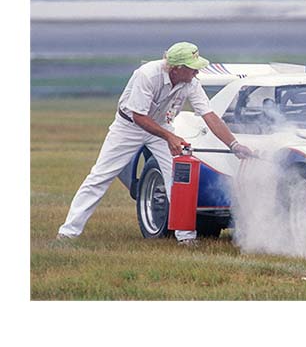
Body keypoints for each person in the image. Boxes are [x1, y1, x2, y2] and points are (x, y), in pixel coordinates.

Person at [57, 42, 255, 245]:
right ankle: (68, 232)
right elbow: (139, 116)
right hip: (129, 127)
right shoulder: (147, 75)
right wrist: (170, 138)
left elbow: (209, 115)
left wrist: (234, 145)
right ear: (177, 68)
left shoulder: (191, 83)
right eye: (192, 68)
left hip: (162, 126)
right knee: (100, 176)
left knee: (179, 178)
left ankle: (186, 237)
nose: (196, 72)